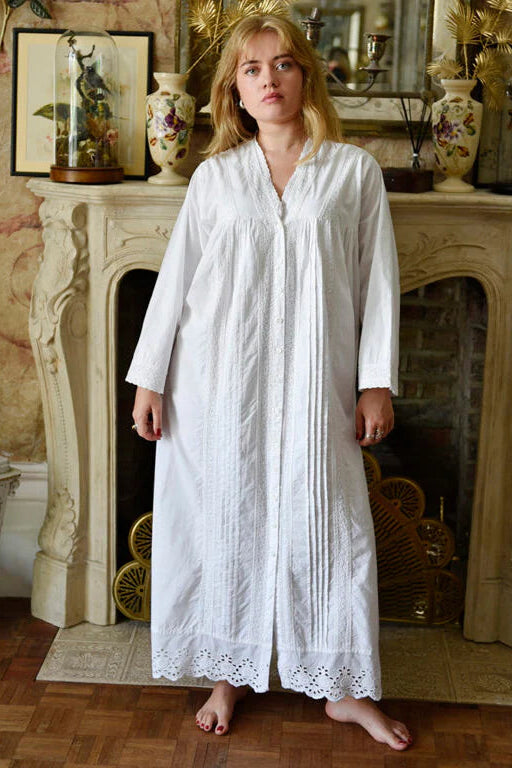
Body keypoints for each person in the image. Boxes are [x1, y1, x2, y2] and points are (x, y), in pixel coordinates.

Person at [126, 13, 412, 751]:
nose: (269, 79)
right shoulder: (216, 180)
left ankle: (345, 689)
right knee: (227, 516)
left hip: (319, 383)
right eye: (253, 70)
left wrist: (375, 381)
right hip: (221, 385)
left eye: (282, 64)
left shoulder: (353, 173)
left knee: (332, 523)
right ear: (236, 92)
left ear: (305, 75)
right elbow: (177, 283)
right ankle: (231, 672)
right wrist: (150, 379)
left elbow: (378, 283)